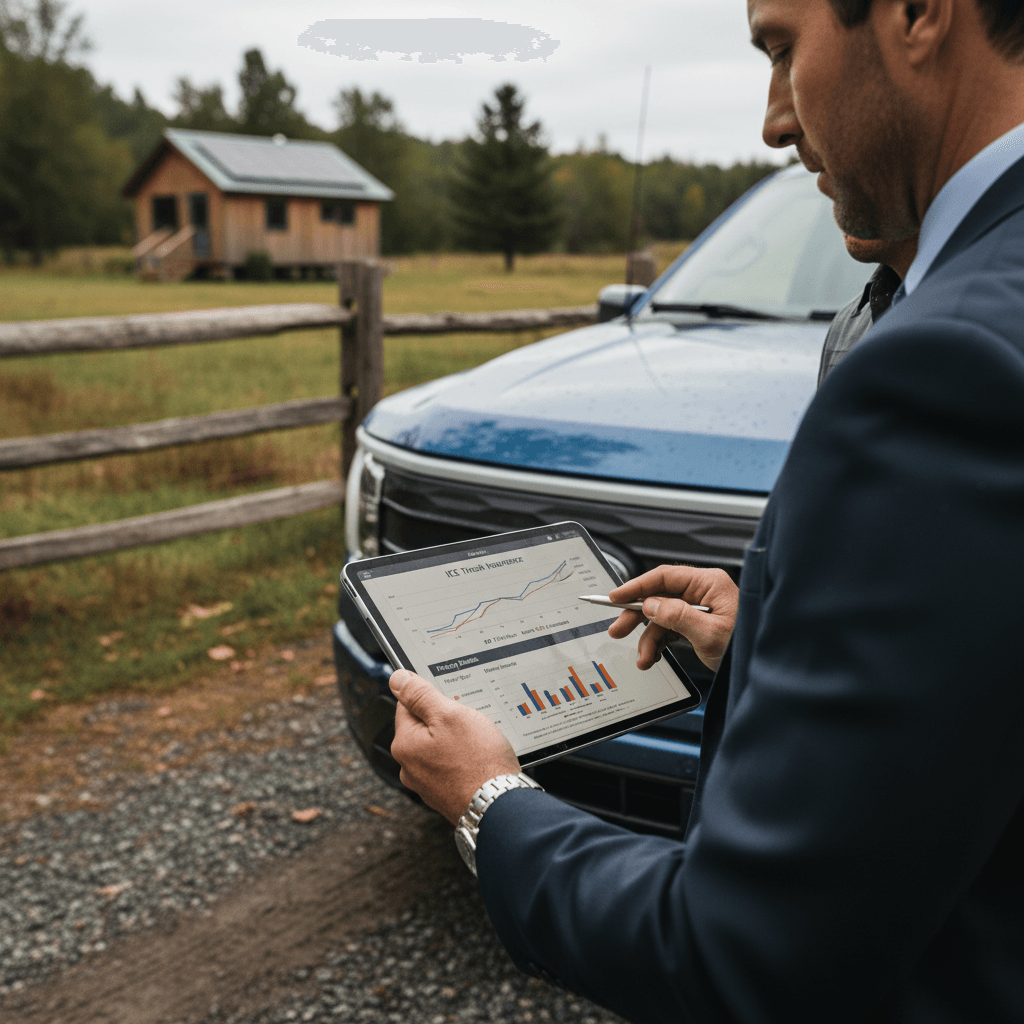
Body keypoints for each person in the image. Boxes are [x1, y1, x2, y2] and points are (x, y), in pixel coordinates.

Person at [389, 2, 1024, 1021]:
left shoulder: (943, 366)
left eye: (783, 48)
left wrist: (488, 800)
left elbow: (741, 952)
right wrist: (773, 641)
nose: (774, 121)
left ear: (916, 13)